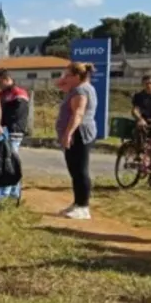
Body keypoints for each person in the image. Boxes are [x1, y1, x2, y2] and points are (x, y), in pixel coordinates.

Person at [55, 62, 98, 220]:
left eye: (68, 75)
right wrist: (65, 77)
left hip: (79, 133)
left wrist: (68, 134)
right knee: (74, 170)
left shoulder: (81, 90)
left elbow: (78, 114)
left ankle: (83, 206)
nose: (64, 78)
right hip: (76, 133)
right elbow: (59, 85)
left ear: (77, 76)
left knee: (80, 170)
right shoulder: (78, 87)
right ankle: (77, 202)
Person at [0, 69, 30, 199]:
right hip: (5, 131)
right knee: (7, 160)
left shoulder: (18, 93)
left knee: (9, 162)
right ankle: (13, 192)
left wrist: (6, 127)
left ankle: (7, 193)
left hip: (14, 131)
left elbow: (17, 115)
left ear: (7, 79)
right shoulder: (4, 94)